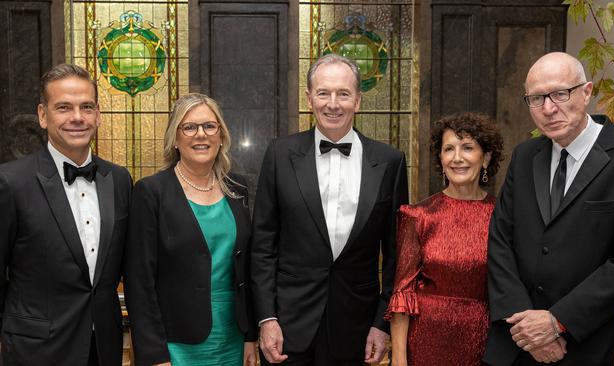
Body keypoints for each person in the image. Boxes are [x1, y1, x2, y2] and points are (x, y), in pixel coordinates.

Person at [484, 52, 614, 365]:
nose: (548, 108)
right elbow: (500, 241)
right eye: (536, 98)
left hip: (580, 345)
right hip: (513, 344)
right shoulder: (524, 156)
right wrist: (525, 328)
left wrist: (557, 321)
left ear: (586, 92)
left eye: (560, 94)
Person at [250, 53, 408, 365]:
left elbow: (396, 255)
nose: (332, 103)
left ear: (358, 101)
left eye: (343, 94)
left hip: (357, 327)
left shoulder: (389, 162)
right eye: (323, 93)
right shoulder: (280, 154)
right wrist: (266, 318)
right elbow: (263, 245)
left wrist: (381, 323)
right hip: (287, 327)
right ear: (309, 98)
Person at [0, 64, 132, 365]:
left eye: (86, 107)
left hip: (105, 348)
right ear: (43, 115)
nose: (77, 117)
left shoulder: (120, 180)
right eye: (64, 107)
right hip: (34, 351)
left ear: (98, 115)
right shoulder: (10, 182)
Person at [124, 93, 257, 366]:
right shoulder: (151, 192)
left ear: (221, 136)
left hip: (233, 336)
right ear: (175, 138)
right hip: (175, 343)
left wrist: (250, 336)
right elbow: (140, 282)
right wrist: (154, 354)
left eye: (210, 126)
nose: (201, 135)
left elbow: (248, 268)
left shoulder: (237, 187)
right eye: (189, 127)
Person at [386, 112, 503, 365]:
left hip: (483, 344)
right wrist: (398, 359)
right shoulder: (418, 216)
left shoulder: (502, 217)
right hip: (425, 344)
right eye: (449, 149)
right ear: (440, 158)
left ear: (486, 158)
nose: (457, 158)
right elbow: (402, 294)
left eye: (468, 148)